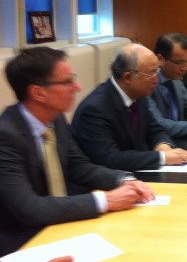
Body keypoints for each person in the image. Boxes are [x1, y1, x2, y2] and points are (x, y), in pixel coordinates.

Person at [0, 47, 155, 256]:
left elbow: (79, 166)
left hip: (61, 227)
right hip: (22, 243)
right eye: (67, 82)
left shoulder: (56, 119)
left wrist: (123, 180)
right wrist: (106, 200)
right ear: (38, 93)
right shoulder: (6, 136)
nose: (78, 87)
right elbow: (30, 209)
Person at [71, 43, 187, 171]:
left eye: (158, 70)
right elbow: (109, 158)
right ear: (128, 77)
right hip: (106, 184)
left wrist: (164, 148)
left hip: (136, 173)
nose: (156, 79)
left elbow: (155, 129)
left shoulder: (138, 95)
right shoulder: (94, 109)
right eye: (152, 73)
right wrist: (162, 158)